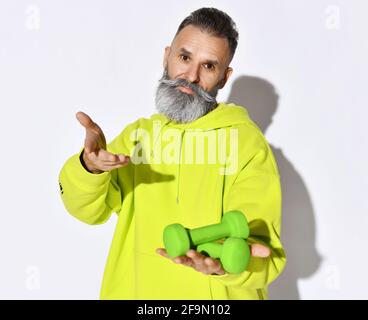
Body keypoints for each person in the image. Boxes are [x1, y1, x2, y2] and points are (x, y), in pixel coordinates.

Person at [58, 7, 286, 300]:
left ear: (224, 78)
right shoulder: (138, 138)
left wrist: (226, 266)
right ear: (167, 55)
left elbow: (264, 252)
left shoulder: (247, 145)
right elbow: (88, 210)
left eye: (208, 66)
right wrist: (90, 168)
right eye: (185, 57)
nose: (190, 76)